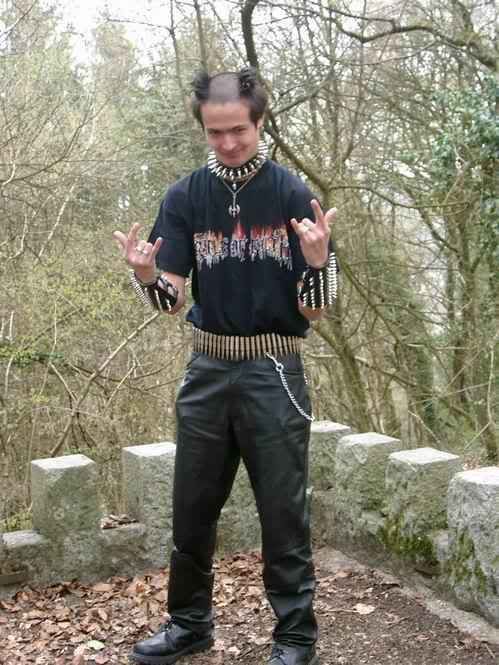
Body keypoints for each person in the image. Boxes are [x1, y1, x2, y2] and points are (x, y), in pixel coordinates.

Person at [114, 67, 338, 665]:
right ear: (203, 130)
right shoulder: (186, 196)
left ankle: (296, 637)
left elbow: (315, 311)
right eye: (216, 132)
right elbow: (171, 301)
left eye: (239, 129)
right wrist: (145, 276)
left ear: (260, 122)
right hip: (207, 370)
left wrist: (318, 263)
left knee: (283, 513)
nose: (229, 143)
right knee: (192, 509)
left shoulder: (292, 195)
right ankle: (190, 625)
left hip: (275, 373)